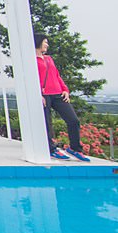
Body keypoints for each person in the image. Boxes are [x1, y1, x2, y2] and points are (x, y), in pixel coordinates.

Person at [35, 33, 90, 162]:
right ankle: (51, 149)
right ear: (38, 43)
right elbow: (31, 79)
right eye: (45, 42)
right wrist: (38, 94)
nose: (47, 45)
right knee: (47, 123)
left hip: (57, 93)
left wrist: (65, 89)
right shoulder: (31, 60)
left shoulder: (49, 59)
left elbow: (57, 75)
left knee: (73, 120)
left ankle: (75, 148)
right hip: (44, 95)